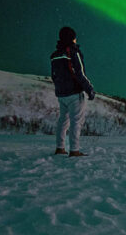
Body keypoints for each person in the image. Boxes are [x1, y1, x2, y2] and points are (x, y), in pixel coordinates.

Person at [50, 26, 95, 157]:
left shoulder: (55, 55)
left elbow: (54, 75)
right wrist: (89, 89)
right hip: (74, 93)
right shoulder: (73, 52)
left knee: (63, 121)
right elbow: (80, 72)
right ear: (72, 38)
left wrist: (59, 88)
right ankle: (74, 150)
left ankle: (60, 148)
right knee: (76, 121)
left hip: (61, 94)